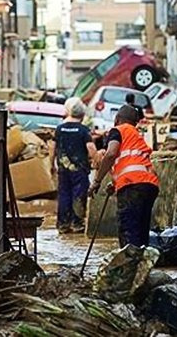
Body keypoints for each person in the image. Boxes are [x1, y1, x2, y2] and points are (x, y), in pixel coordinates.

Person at [89, 105, 159, 247]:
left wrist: (97, 181)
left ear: (117, 119)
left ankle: (130, 266)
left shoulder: (117, 130)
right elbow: (132, 165)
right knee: (141, 233)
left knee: (128, 232)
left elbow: (111, 154)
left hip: (133, 186)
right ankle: (140, 265)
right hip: (149, 187)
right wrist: (115, 184)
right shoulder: (136, 135)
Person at [51, 97, 97, 234]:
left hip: (63, 169)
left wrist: (50, 164)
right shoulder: (83, 130)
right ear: (82, 114)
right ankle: (77, 224)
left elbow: (52, 147)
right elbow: (91, 148)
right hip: (80, 170)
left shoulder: (59, 129)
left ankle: (63, 225)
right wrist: (96, 161)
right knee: (79, 195)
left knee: (64, 195)